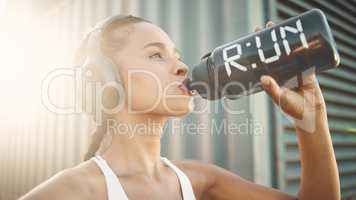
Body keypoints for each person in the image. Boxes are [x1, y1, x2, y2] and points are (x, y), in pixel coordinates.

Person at [20, 14, 340, 200]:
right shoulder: (73, 190)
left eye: (177, 55)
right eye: (156, 55)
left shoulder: (198, 178)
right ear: (105, 79)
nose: (182, 67)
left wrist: (312, 118)